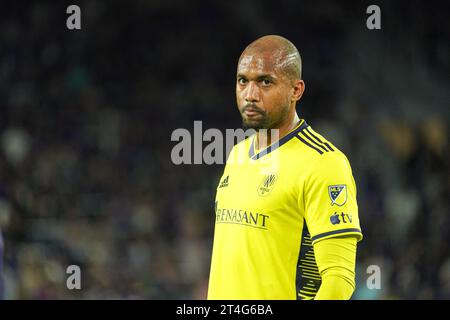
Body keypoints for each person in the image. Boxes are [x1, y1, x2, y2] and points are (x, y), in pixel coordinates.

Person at [207, 35, 363, 300]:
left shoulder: (324, 163)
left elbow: (339, 279)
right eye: (242, 81)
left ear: (296, 90)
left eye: (265, 82)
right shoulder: (237, 155)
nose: (250, 94)